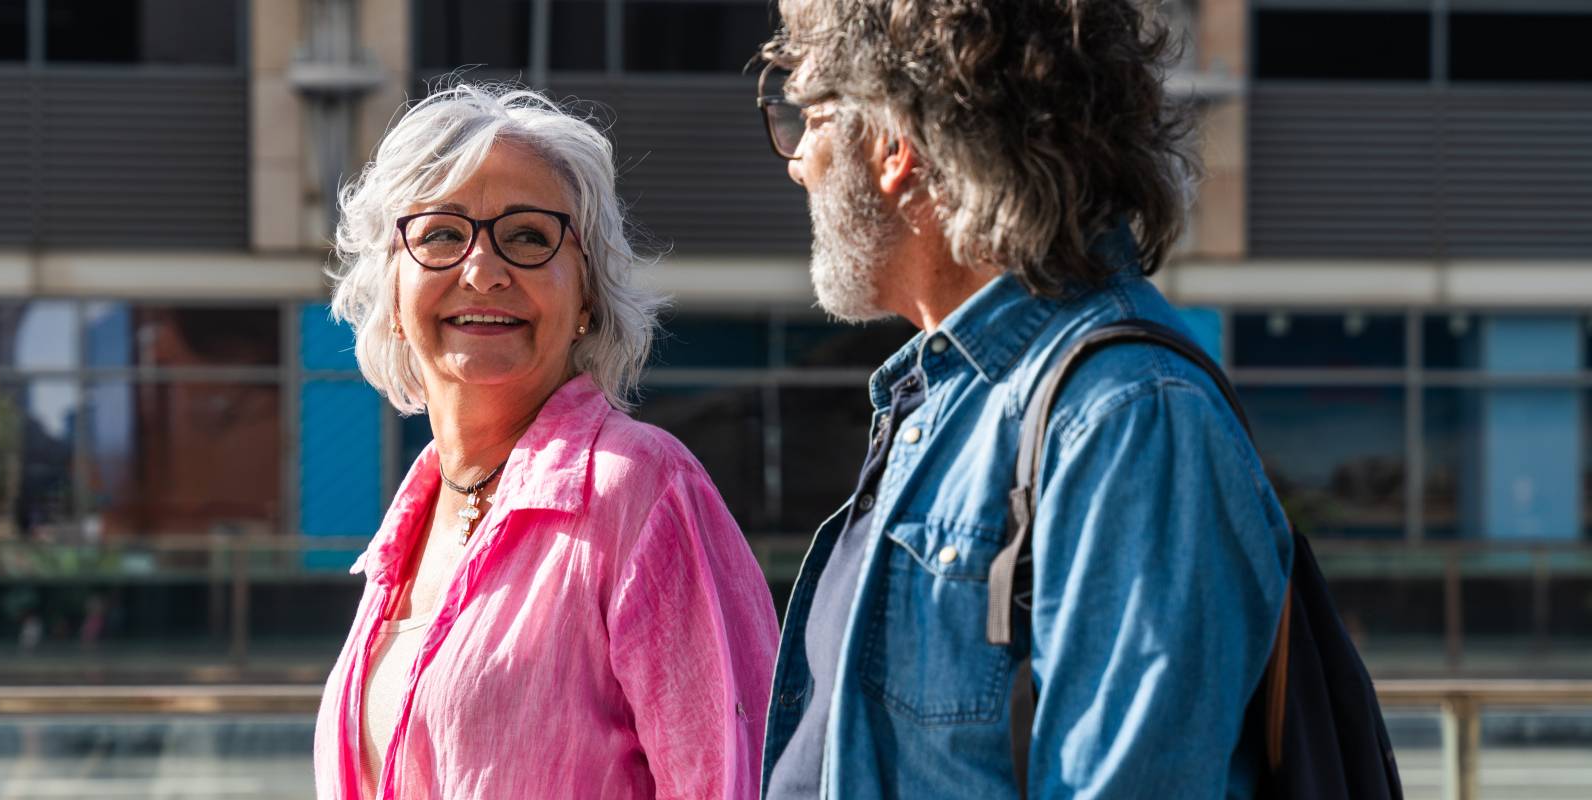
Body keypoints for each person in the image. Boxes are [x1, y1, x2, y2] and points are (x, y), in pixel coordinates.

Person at [753, 1, 1293, 797]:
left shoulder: (1126, 415)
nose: (797, 161)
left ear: (893, 144)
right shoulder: (948, 400)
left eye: (806, 117)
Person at [313, 83, 779, 799]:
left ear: (586, 293)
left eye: (529, 235)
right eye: (440, 233)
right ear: (393, 289)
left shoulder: (641, 491)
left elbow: (738, 779)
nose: (482, 270)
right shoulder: (410, 521)